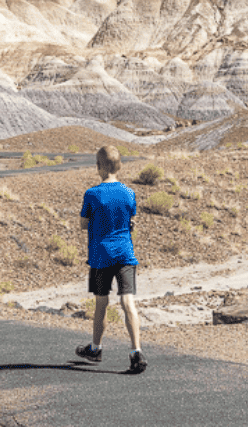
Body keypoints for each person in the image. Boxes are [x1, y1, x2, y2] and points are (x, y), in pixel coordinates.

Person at [75, 146, 146, 373]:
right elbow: (131, 221)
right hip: (125, 253)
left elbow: (83, 223)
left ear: (99, 167)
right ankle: (136, 352)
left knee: (101, 304)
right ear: (119, 166)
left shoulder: (92, 194)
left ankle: (96, 348)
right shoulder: (129, 193)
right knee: (128, 302)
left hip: (100, 255)